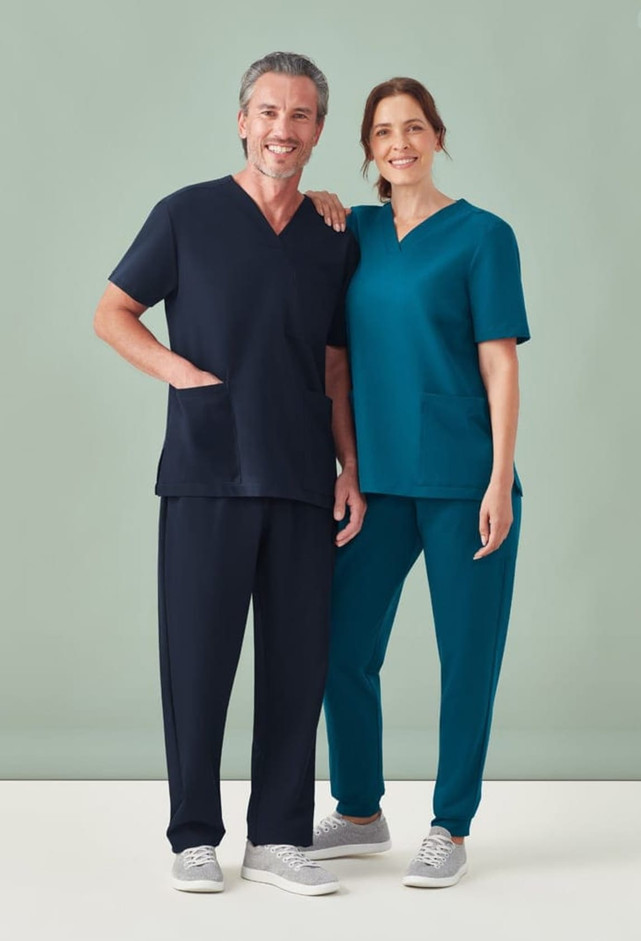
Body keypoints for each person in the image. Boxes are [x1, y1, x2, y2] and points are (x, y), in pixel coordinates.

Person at [93, 51, 365, 897]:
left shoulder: (333, 235)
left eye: (301, 115)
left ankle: (279, 836)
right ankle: (193, 837)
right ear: (243, 121)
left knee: (297, 663)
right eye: (269, 112)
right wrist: (181, 374)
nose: (284, 129)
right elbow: (112, 312)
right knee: (197, 660)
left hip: (302, 472)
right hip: (207, 469)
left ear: (319, 130)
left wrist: (349, 466)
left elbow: (335, 362)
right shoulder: (187, 215)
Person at [303, 77, 530, 887]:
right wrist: (350, 467)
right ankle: (360, 812)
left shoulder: (483, 236)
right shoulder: (354, 232)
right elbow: (334, 355)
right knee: (339, 645)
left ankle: (451, 824)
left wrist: (498, 481)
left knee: (467, 658)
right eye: (382, 132)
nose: (399, 143)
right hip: (379, 482)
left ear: (437, 135)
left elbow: (499, 365)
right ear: (368, 148)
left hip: (465, 481)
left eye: (413, 127)